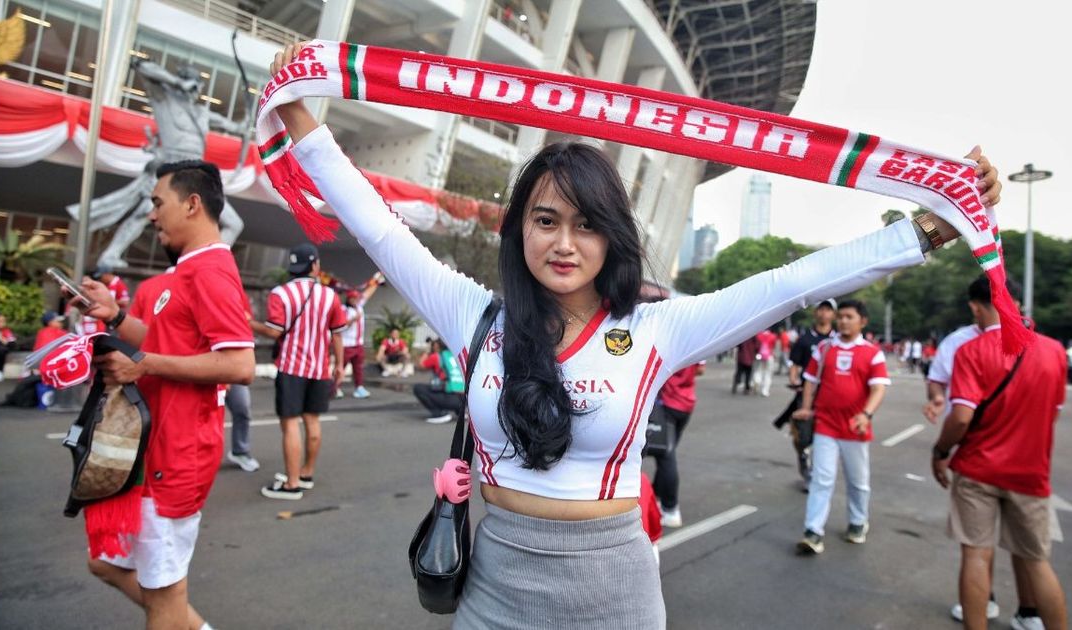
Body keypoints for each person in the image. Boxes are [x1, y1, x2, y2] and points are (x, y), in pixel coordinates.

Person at [269, 40, 1000, 627]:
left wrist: (929, 228)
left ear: (613, 237)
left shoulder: (655, 327)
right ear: (521, 227)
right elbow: (378, 228)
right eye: (546, 221)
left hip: (612, 590)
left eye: (587, 225)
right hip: (492, 583)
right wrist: (300, 113)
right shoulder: (474, 314)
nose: (564, 243)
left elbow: (791, 285)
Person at [74, 159, 255, 630]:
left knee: (163, 595)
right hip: (150, 447)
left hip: (176, 455)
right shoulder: (184, 273)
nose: (151, 214)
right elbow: (157, 341)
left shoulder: (212, 270)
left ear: (192, 204)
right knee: (115, 568)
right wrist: (114, 316)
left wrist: (145, 365)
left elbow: (240, 364)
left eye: (158, 203)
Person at [932, 277, 1068, 630]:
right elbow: (1052, 413)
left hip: (978, 470)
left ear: (976, 306)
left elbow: (961, 417)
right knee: (1037, 561)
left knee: (976, 554)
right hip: (1030, 473)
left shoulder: (971, 351)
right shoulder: (1054, 351)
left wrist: (941, 449)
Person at [250, 243, 347, 500]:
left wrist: (248, 323)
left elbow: (274, 331)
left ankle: (291, 484)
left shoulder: (280, 294)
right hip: (319, 369)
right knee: (313, 422)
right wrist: (338, 365)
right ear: (314, 265)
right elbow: (337, 335)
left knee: (290, 424)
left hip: (291, 368)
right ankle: (305, 474)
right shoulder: (330, 297)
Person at [793, 300, 890, 554]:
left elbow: (879, 387)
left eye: (849, 317)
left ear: (863, 321)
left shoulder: (872, 352)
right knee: (821, 479)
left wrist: (866, 414)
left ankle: (858, 522)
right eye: (841, 317)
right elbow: (810, 381)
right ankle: (813, 531)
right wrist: (806, 407)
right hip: (825, 424)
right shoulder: (824, 349)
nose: (843, 321)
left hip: (854, 428)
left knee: (858, 482)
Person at [774, 299, 838, 485]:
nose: (824, 313)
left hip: (829, 395)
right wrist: (793, 379)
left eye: (828, 310)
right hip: (806, 393)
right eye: (821, 309)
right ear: (815, 313)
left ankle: (817, 472)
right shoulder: (805, 339)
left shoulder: (837, 339)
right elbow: (795, 364)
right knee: (802, 435)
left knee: (824, 435)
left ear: (833, 315)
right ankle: (803, 458)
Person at [648, 360, 706, 528]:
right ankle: (657, 498)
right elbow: (700, 370)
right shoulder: (696, 341)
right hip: (686, 403)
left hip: (668, 403)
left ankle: (670, 507)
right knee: (665, 453)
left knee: (666, 457)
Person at [334, 273, 382, 399]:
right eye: (353, 299)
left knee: (358, 368)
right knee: (341, 367)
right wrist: (353, 320)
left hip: (358, 344)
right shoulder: (344, 309)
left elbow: (368, 293)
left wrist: (377, 279)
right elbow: (341, 325)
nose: (356, 300)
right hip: (346, 344)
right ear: (349, 299)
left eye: (356, 298)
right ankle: (335, 387)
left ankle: (359, 387)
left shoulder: (359, 307)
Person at [413, 337, 466, 424]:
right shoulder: (457, 355)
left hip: (451, 399)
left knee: (418, 388)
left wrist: (427, 352)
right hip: (465, 400)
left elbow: (420, 366)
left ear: (437, 345)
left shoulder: (437, 356)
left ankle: (439, 414)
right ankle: (461, 412)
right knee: (452, 383)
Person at [81, 265, 131, 335]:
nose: (100, 279)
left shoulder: (119, 284)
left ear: (107, 274)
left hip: (116, 319)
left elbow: (125, 302)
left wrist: (108, 302)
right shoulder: (106, 284)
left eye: (101, 277)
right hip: (106, 319)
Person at [753, 328, 778, 397]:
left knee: (758, 370)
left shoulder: (758, 335)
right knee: (768, 373)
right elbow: (774, 346)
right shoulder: (773, 336)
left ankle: (757, 380)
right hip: (769, 355)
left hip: (760, 355)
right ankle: (765, 390)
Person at [0, 312, 17, 382]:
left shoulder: (6, 331)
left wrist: (1, 339)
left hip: (0, 353)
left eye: (4, 321)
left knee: (0, 349)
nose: (2, 323)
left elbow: (12, 344)